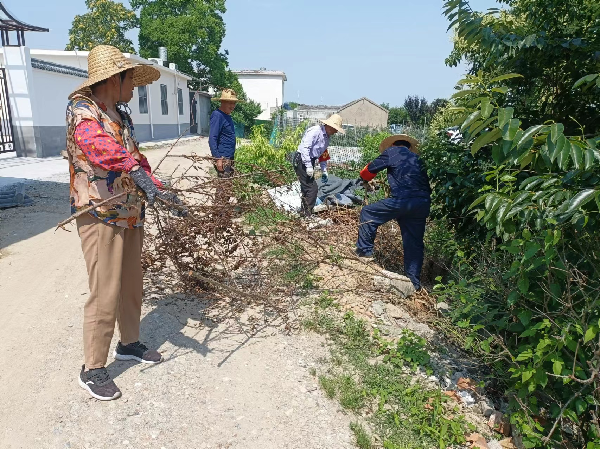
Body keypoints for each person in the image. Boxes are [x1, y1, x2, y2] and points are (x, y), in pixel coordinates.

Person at [66, 45, 183, 401]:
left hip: (130, 212)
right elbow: (98, 147)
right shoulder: (83, 110)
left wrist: (159, 189)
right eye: (130, 78)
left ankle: (129, 343)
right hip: (101, 212)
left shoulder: (120, 114)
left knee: (132, 283)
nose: (134, 86)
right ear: (113, 79)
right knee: (105, 290)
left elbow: (135, 158)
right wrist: (134, 171)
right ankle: (93, 368)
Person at [355, 134, 431, 290]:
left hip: (403, 199)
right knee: (414, 243)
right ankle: (413, 283)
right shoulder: (418, 159)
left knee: (368, 212)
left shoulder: (392, 152)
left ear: (393, 145)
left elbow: (367, 172)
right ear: (409, 147)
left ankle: (364, 252)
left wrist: (365, 178)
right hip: (422, 203)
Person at [293, 114, 345, 217]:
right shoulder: (315, 131)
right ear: (330, 126)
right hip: (302, 159)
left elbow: (323, 155)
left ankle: (304, 213)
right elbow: (305, 148)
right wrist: (308, 165)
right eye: (335, 129)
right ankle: (307, 214)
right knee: (312, 188)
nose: (335, 132)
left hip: (309, 160)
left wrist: (324, 171)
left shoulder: (326, 138)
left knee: (306, 188)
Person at [209, 88, 242, 178]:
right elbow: (212, 138)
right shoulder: (217, 115)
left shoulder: (227, 116)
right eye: (230, 103)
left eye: (234, 103)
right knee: (224, 187)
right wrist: (218, 158)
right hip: (223, 159)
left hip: (229, 157)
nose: (233, 106)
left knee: (227, 187)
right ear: (222, 102)